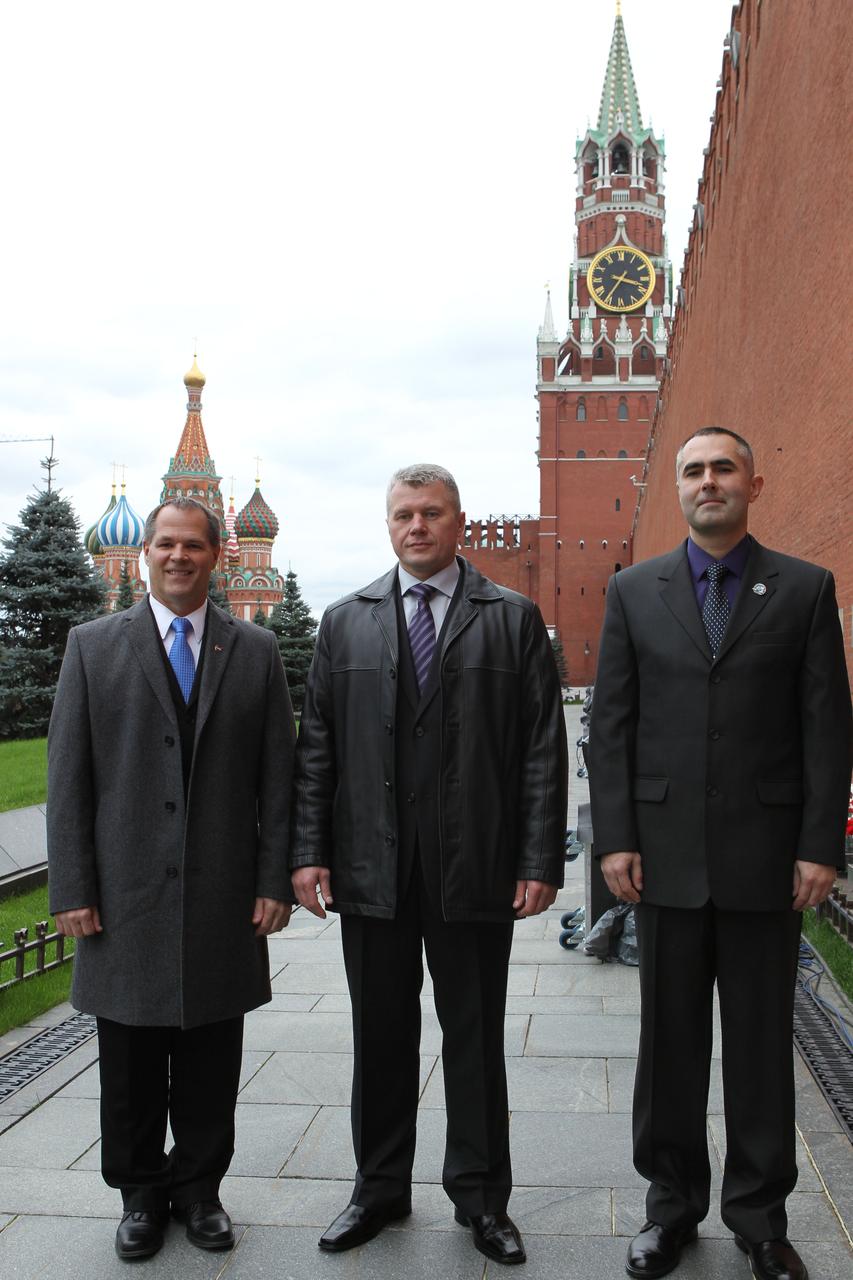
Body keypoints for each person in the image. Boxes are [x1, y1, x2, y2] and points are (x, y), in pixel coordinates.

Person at [587, 428, 852, 1280]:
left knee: (758, 1047)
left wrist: (820, 846)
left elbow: (826, 728)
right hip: (660, 860)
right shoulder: (632, 592)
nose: (708, 482)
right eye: (693, 470)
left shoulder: (805, 590)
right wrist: (616, 837)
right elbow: (611, 726)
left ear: (753, 483)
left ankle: (760, 1219)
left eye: (722, 469)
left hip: (767, 861)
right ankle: (669, 1210)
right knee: (667, 1048)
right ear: (677, 488)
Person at [290, 463, 567, 1266]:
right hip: (373, 870)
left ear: (458, 522)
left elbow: (540, 751)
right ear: (388, 525)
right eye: (404, 514)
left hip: (472, 866)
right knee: (379, 1036)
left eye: (432, 513)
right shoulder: (347, 622)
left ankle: (481, 1199)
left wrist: (537, 857)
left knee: (474, 1036)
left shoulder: (509, 618)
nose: (417, 526)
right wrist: (308, 853)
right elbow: (318, 753)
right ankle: (376, 1190)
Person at [47, 496, 295, 1262]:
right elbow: (68, 779)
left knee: (211, 1054)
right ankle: (139, 1196)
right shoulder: (92, 646)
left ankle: (200, 1191)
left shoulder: (253, 650)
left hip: (222, 890)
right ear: (145, 553)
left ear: (218, 555)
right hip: (122, 892)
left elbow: (276, 779)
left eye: (193, 545)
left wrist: (273, 879)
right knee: (127, 1060)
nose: (178, 556)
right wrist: (73, 888)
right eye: (165, 545)